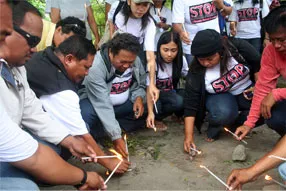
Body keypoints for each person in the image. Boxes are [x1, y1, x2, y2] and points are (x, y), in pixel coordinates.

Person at [0, 1, 106, 190]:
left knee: (55, 147)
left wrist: (69, 140)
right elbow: (33, 155)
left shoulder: (16, 69)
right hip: (9, 146)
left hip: (10, 145)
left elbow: (32, 112)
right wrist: (83, 177)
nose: (34, 48)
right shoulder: (56, 81)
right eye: (31, 40)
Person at [26, 35, 129, 173]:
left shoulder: (45, 56)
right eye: (86, 67)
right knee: (60, 145)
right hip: (16, 133)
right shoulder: (61, 89)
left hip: (27, 116)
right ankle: (43, 173)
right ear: (69, 59)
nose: (87, 73)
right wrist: (108, 162)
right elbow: (81, 135)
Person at [183, 29, 261, 152]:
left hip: (245, 90)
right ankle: (216, 126)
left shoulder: (236, 47)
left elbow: (259, 64)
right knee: (224, 113)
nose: (206, 63)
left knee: (266, 108)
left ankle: (237, 125)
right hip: (220, 97)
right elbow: (190, 104)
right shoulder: (196, 71)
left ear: (220, 51)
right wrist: (189, 137)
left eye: (210, 58)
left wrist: (258, 87)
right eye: (201, 59)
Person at [79, 33, 146, 158]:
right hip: (97, 104)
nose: (126, 66)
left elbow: (140, 84)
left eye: (130, 62)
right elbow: (102, 104)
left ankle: (107, 128)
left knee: (154, 105)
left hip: (124, 104)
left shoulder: (134, 59)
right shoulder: (96, 66)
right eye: (122, 62)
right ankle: (108, 129)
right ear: (111, 52)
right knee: (85, 114)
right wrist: (116, 137)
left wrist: (138, 98)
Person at [235, 5, 286, 140]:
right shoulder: (271, 52)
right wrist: (249, 123)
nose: (276, 45)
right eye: (272, 39)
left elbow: (274, 92)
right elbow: (263, 87)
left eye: (281, 40)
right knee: (271, 114)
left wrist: (277, 93)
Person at [108, 0, 159, 102]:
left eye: (145, 5)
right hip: (115, 47)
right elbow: (110, 22)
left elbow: (150, 56)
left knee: (134, 77)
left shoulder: (149, 23)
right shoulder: (117, 9)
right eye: (138, 4)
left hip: (135, 51)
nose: (141, 9)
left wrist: (152, 84)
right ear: (129, 1)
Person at [146, 31, 188, 130]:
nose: (169, 54)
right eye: (165, 50)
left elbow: (188, 75)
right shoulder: (153, 63)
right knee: (158, 107)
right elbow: (148, 89)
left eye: (173, 50)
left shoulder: (181, 60)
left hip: (170, 92)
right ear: (159, 48)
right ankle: (157, 118)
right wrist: (150, 112)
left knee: (183, 98)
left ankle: (177, 115)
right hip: (155, 96)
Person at [172, 0, 232, 64]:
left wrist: (221, 5)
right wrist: (181, 32)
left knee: (218, 72)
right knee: (196, 72)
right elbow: (176, 22)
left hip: (215, 44)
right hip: (192, 47)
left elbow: (229, 11)